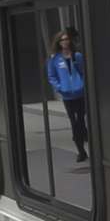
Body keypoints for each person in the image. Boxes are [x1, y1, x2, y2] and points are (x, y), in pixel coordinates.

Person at [46, 29, 89, 166]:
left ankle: (81, 137)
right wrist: (59, 87)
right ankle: (81, 150)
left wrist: (83, 84)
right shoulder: (54, 59)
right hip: (67, 95)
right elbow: (51, 76)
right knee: (74, 121)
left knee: (81, 119)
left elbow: (84, 72)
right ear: (58, 42)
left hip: (80, 93)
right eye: (62, 40)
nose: (65, 42)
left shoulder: (77, 56)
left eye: (66, 39)